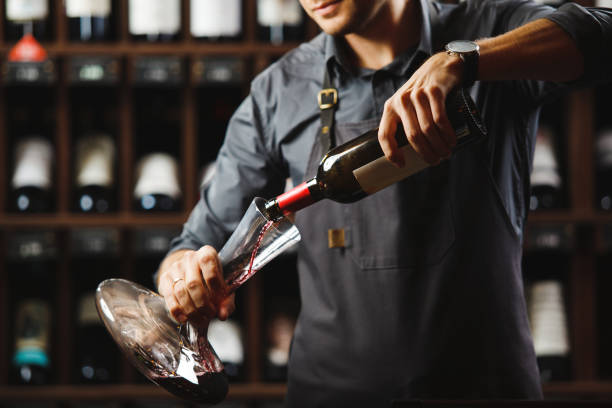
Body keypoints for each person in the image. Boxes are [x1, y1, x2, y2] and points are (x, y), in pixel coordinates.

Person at [156, 0, 612, 406]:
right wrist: (181, 273)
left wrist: (465, 61)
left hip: (483, 387)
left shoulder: (490, 26)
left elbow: (601, 30)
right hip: (330, 392)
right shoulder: (278, 91)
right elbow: (196, 241)